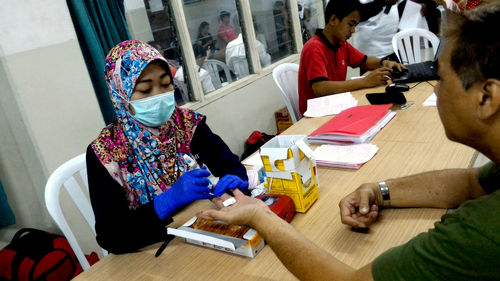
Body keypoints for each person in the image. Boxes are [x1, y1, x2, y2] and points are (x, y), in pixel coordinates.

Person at [198, 3, 500, 280]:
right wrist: (378, 190)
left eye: (442, 79)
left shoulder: (481, 233)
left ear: (486, 97)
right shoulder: (316, 48)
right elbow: (473, 183)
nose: (436, 92)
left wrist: (260, 216)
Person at [86, 40, 247, 254]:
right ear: (120, 95)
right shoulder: (106, 153)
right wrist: (166, 201)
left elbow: (231, 166)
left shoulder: (188, 125)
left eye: (165, 84)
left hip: (209, 230)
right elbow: (112, 236)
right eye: (144, 89)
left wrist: (233, 183)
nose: (159, 96)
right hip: (154, 252)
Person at [297, 0, 405, 115]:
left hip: (335, 106)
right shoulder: (314, 48)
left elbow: (365, 61)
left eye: (355, 26)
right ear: (333, 20)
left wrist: (385, 63)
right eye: (351, 24)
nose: (353, 31)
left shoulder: (341, 44)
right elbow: (320, 88)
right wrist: (364, 81)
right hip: (316, 114)